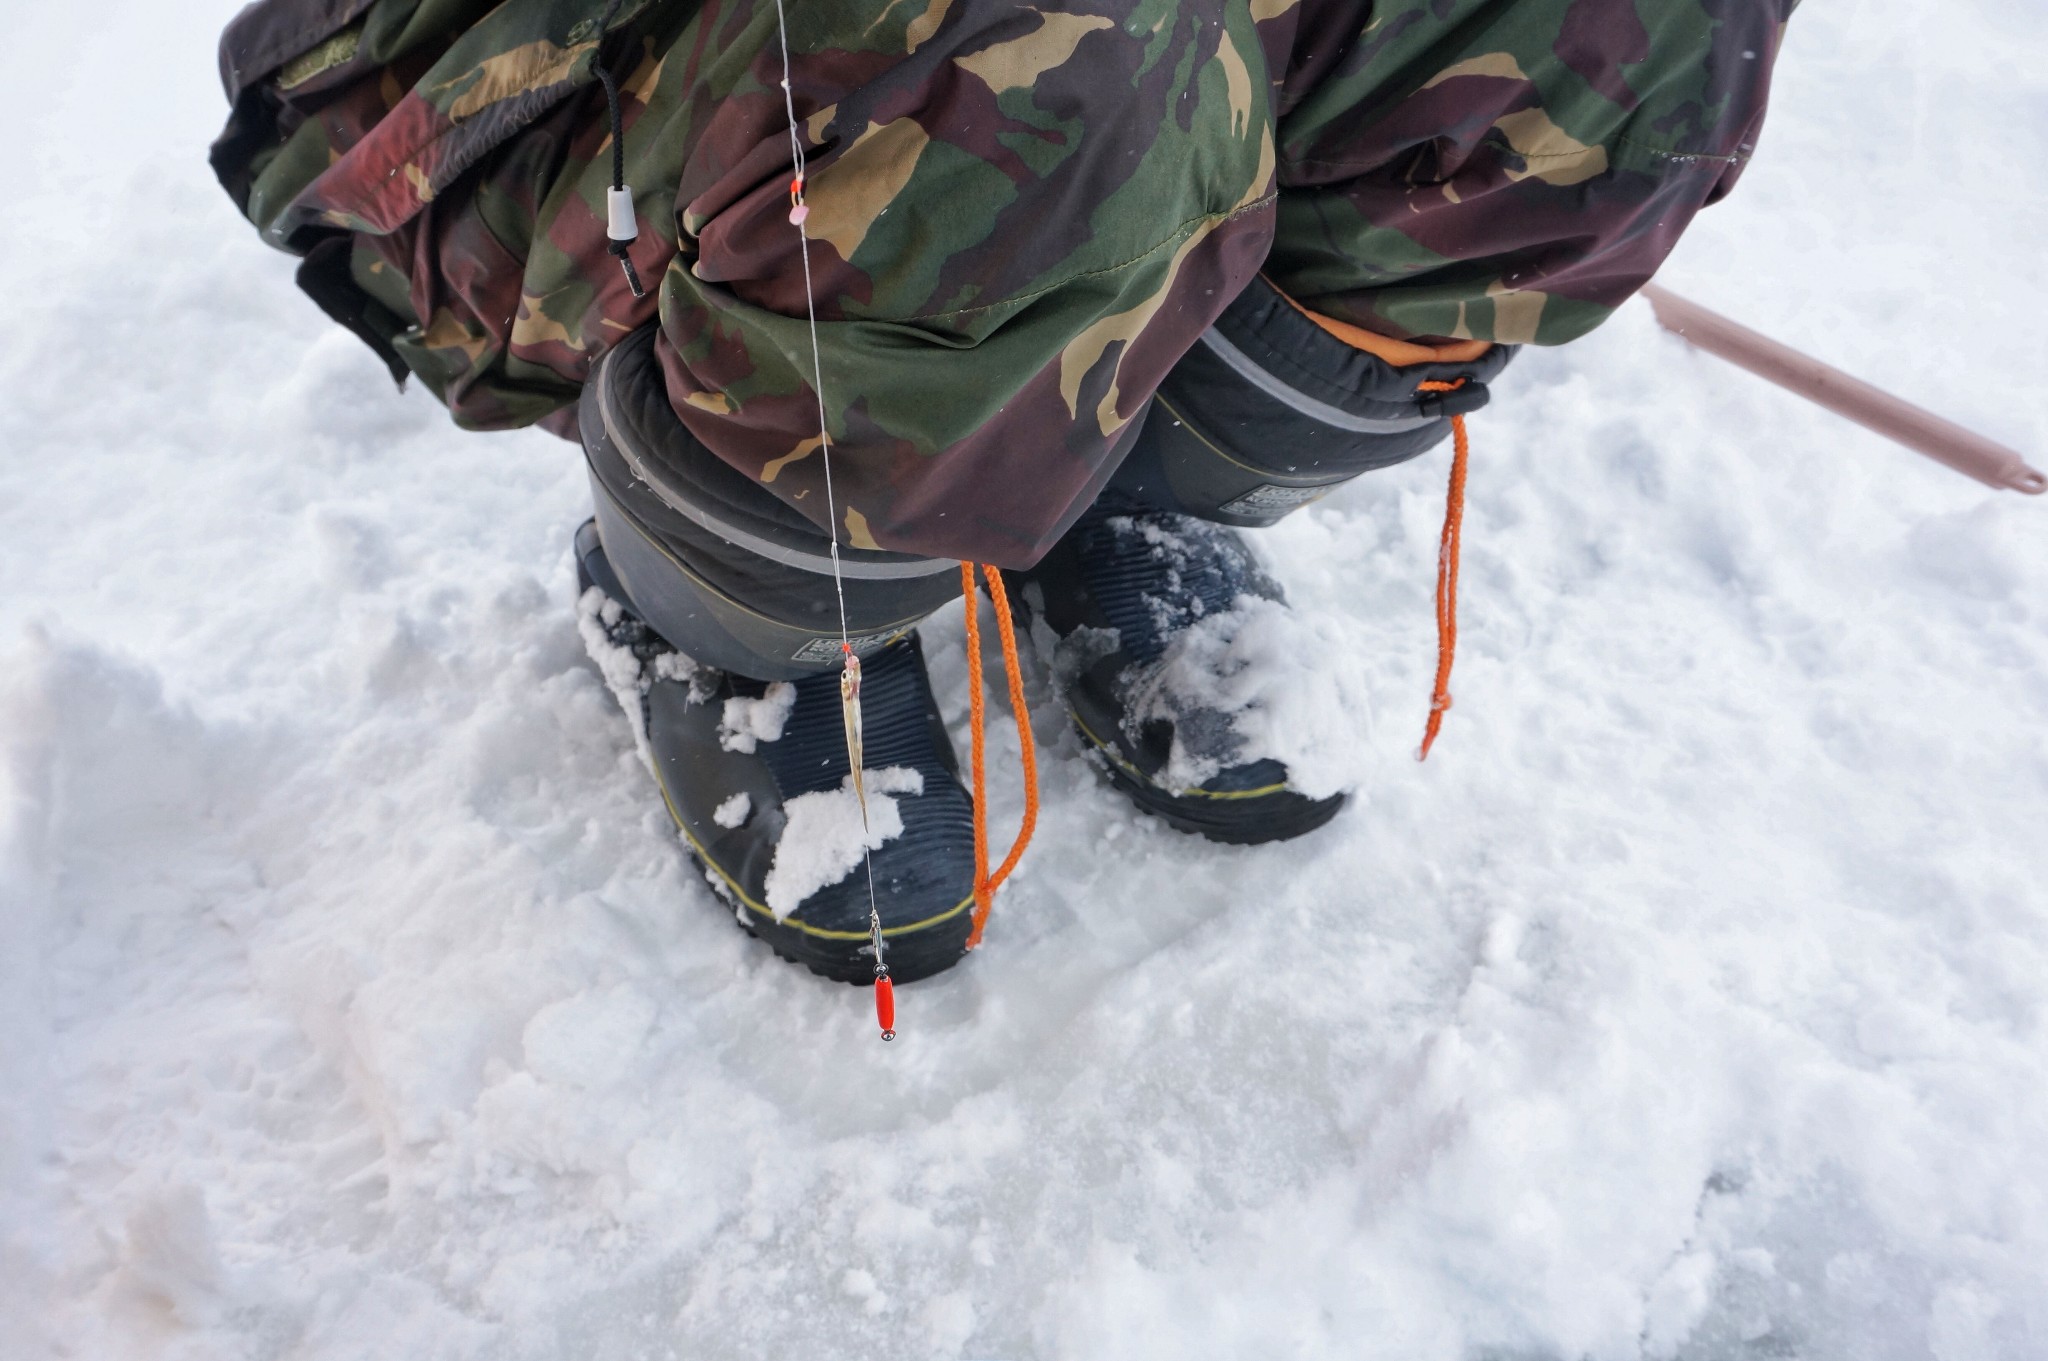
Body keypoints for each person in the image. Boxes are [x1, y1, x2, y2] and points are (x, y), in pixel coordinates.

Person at [212, 0, 1791, 984]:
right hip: (515, 86)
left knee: (1637, 28)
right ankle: (740, 611)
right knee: (1071, 56)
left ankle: (1084, 466)